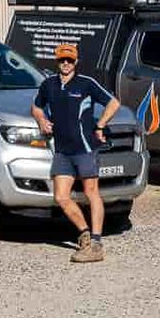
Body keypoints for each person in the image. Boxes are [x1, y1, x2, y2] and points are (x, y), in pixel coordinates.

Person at [31, 42, 120, 264]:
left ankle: (97, 242)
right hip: (62, 150)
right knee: (61, 196)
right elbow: (36, 106)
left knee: (92, 192)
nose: (66, 64)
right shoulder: (48, 84)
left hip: (85, 148)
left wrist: (100, 125)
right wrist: (41, 120)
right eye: (62, 60)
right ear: (57, 61)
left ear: (76, 62)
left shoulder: (86, 84)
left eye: (70, 60)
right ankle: (85, 234)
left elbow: (113, 103)